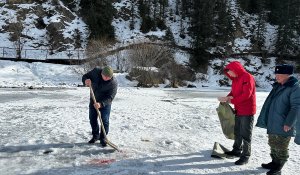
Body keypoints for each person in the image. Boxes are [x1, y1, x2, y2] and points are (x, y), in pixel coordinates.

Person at [256, 64, 300, 175]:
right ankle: (274, 162)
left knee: (281, 145)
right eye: (276, 74)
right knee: (272, 143)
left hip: (284, 122)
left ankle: (279, 165)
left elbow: (296, 106)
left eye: (279, 75)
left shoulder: (295, 87)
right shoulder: (278, 86)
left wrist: (289, 123)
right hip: (274, 121)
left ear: (287, 75)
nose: (277, 77)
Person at [218, 61, 256, 165]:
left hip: (247, 111)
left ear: (236, 69)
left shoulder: (247, 77)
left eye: (230, 72)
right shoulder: (235, 80)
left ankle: (245, 156)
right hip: (238, 110)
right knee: (237, 132)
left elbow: (246, 95)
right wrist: (226, 98)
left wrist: (231, 101)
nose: (229, 74)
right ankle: (236, 150)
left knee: (245, 134)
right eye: (228, 72)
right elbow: (233, 93)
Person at [82, 66, 118, 147]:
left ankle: (103, 138)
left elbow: (110, 97)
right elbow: (85, 76)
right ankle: (95, 136)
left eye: (108, 77)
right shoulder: (95, 72)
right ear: (101, 73)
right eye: (105, 76)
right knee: (92, 119)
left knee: (104, 120)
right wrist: (85, 80)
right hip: (93, 100)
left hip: (105, 103)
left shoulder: (113, 83)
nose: (106, 78)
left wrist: (101, 104)